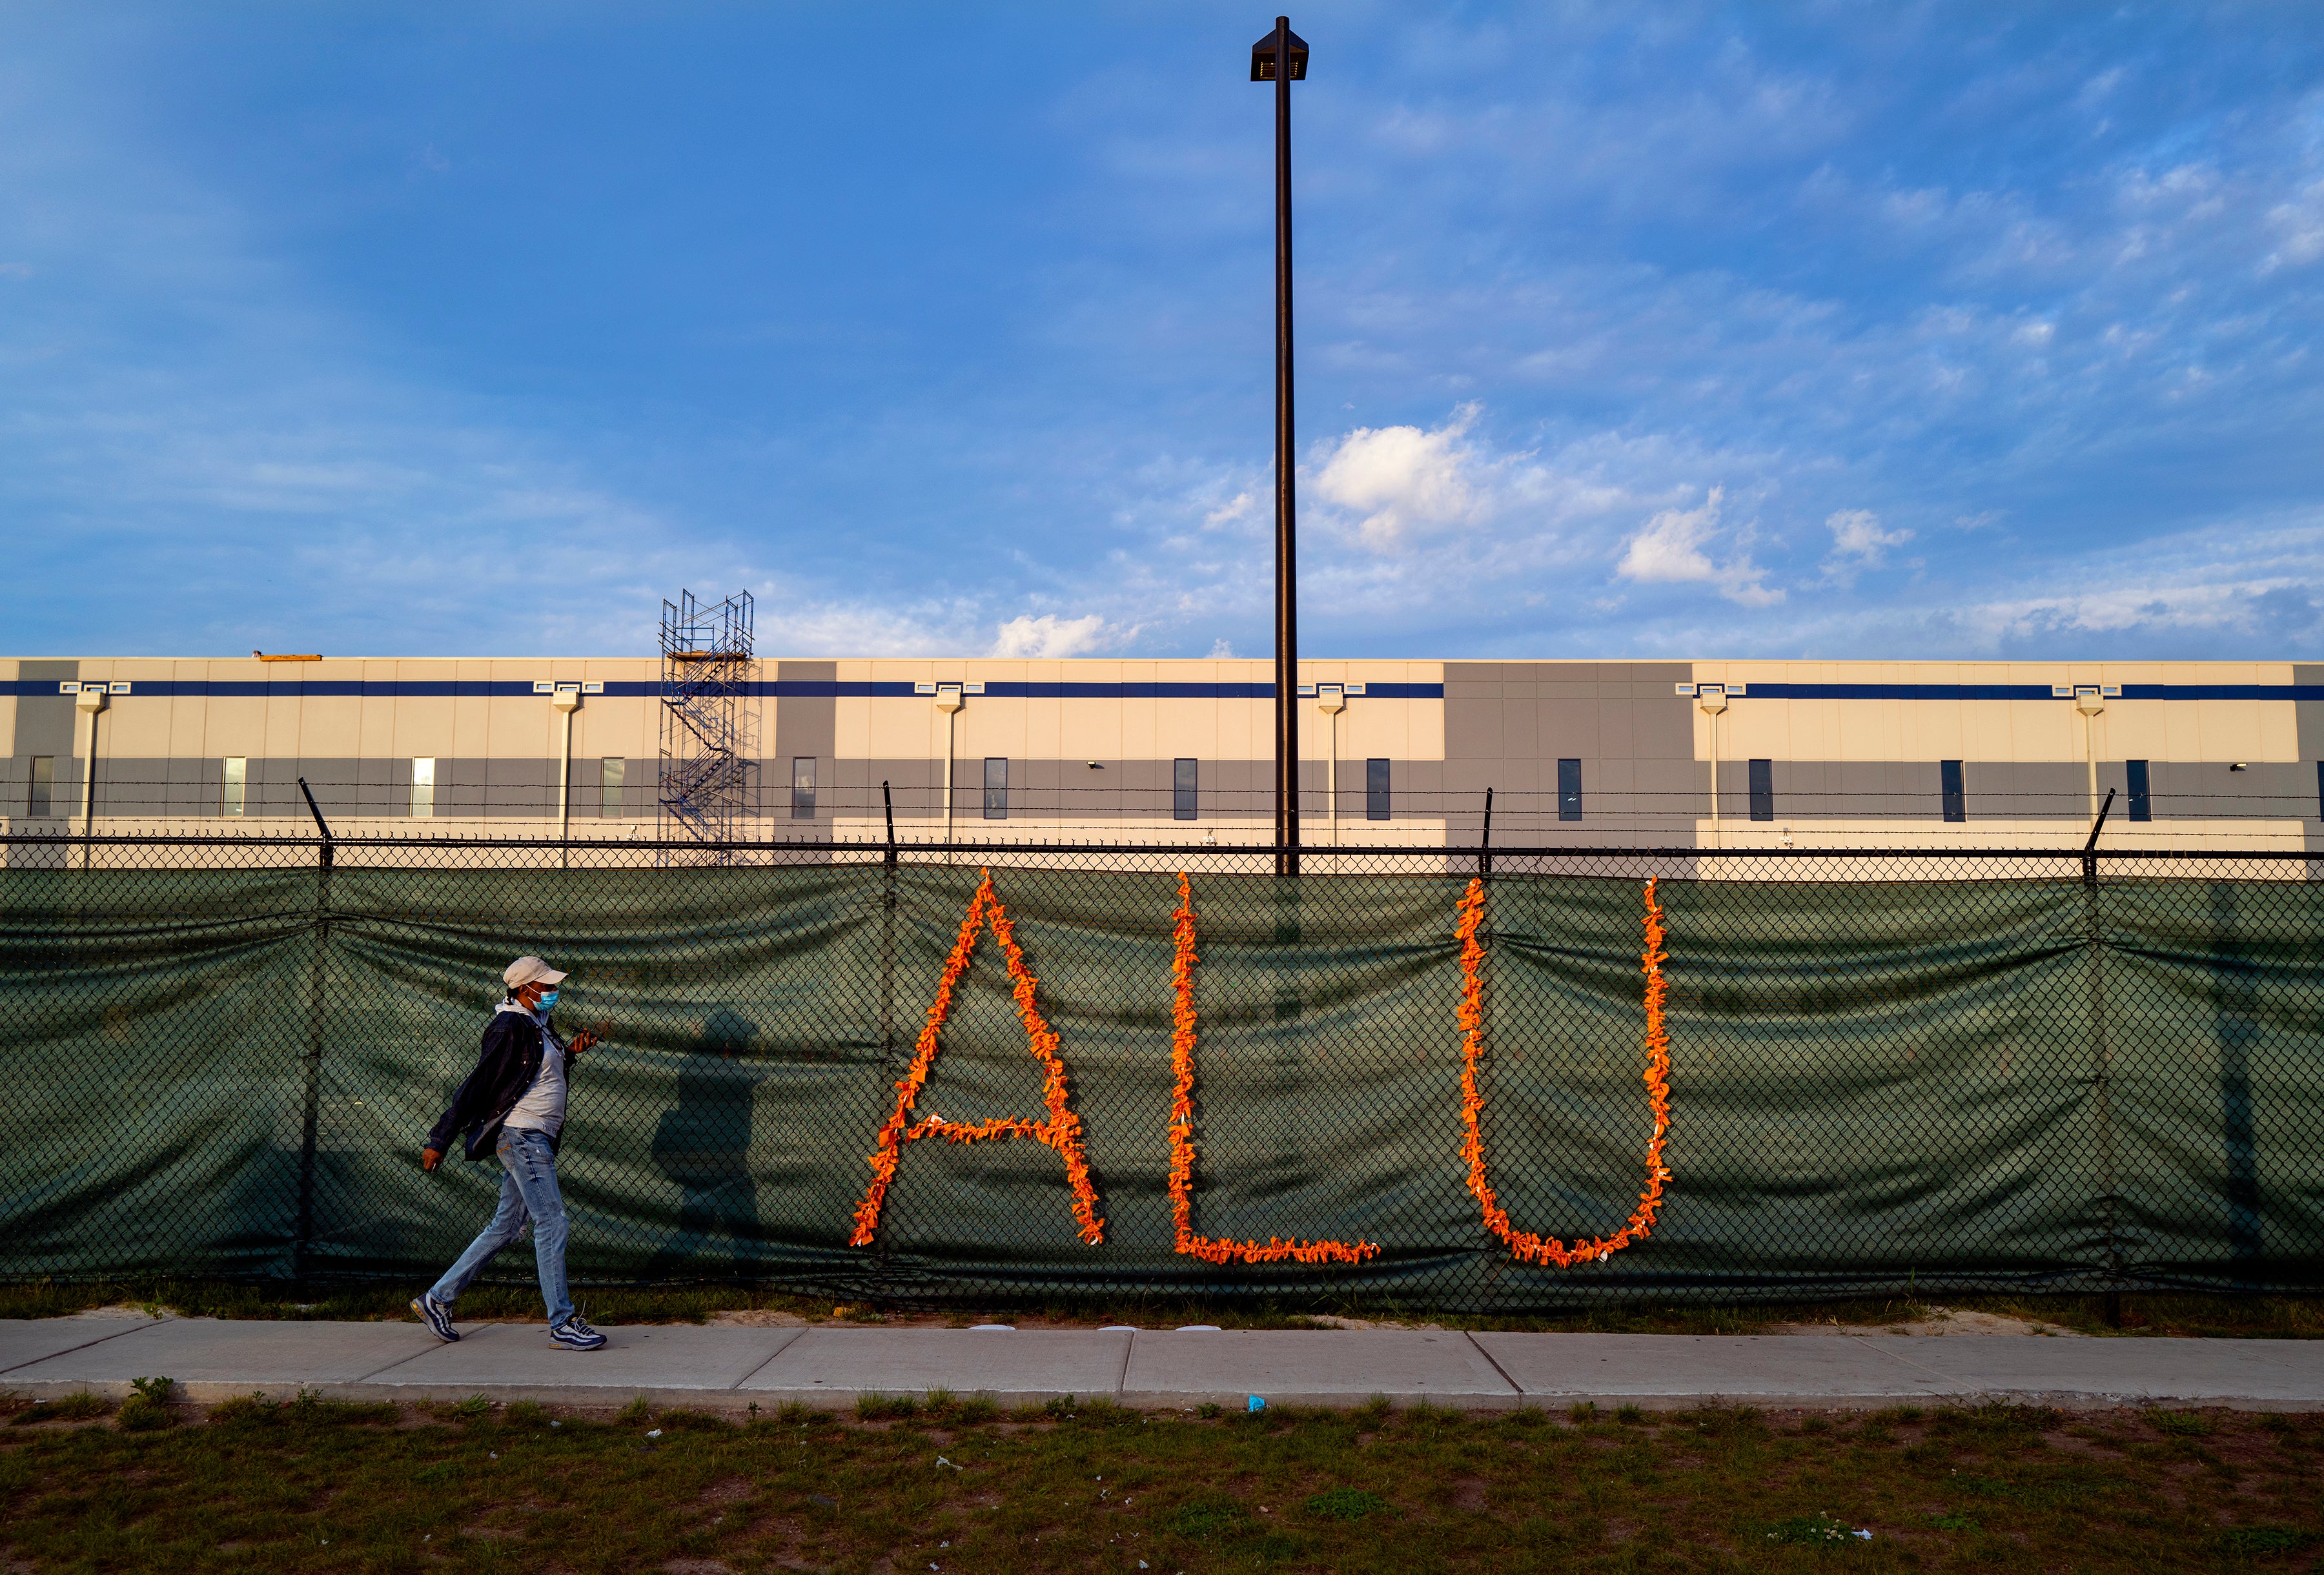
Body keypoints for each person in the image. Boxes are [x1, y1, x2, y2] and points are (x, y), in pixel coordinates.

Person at [411, 955, 607, 1350]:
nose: (553, 992)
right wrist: (440, 1139)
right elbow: (479, 1083)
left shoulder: (538, 1025)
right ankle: (562, 1323)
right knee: (552, 1222)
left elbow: (531, 1074)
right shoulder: (509, 1024)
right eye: (546, 987)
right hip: (523, 1135)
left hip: (536, 1137)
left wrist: (568, 1053)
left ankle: (438, 1299)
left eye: (553, 986)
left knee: (505, 1227)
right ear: (523, 989)